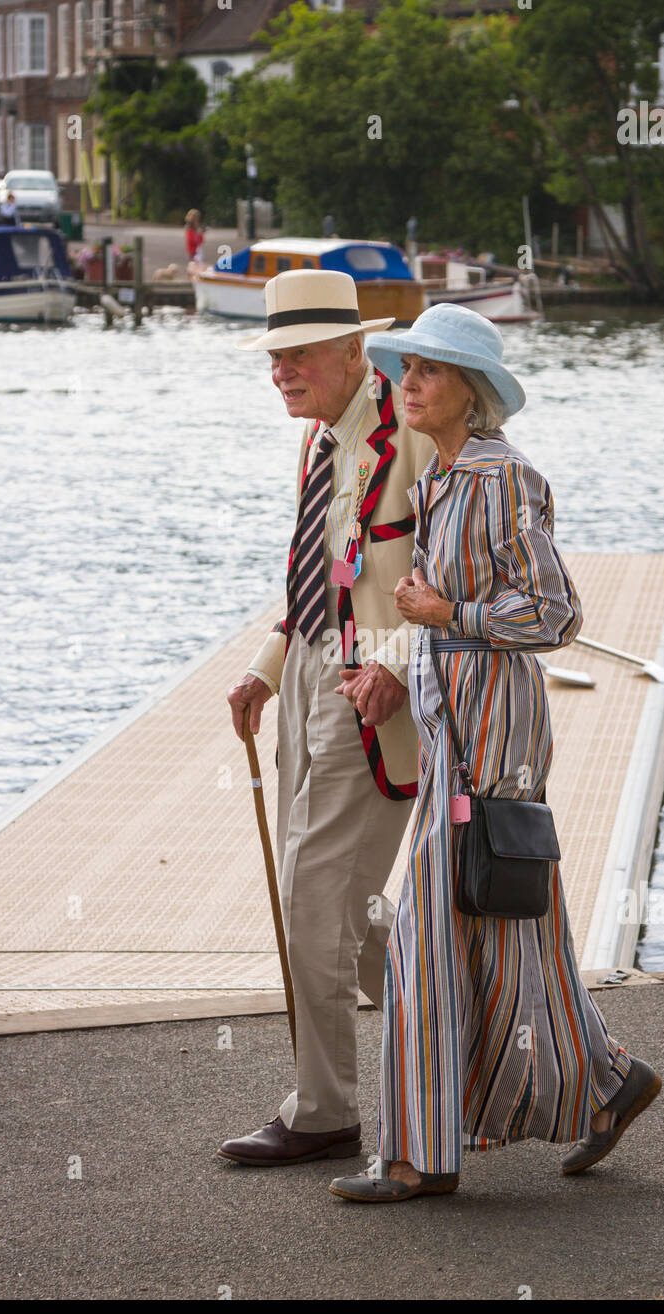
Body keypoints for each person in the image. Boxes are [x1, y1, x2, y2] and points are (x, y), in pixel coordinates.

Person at [328, 303, 662, 1203]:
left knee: (428, 939)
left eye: (428, 373)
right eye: (406, 371)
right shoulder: (439, 478)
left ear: (471, 393)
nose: (409, 386)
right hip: (455, 728)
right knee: (511, 921)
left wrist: (448, 616)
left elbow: (557, 614)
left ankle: (417, 1156)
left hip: (493, 737)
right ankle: (607, 1079)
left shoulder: (501, 478)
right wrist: (414, 654)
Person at [218, 269, 433, 1166]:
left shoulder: (416, 437)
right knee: (357, 912)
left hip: (373, 691)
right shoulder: (320, 439)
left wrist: (392, 666)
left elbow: (450, 586)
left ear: (354, 350)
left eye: (298, 354)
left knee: (312, 891)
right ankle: (538, 1056)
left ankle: (324, 1112)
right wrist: (269, 668)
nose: (281, 371)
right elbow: (316, 574)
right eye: (274, 356)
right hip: (311, 674)